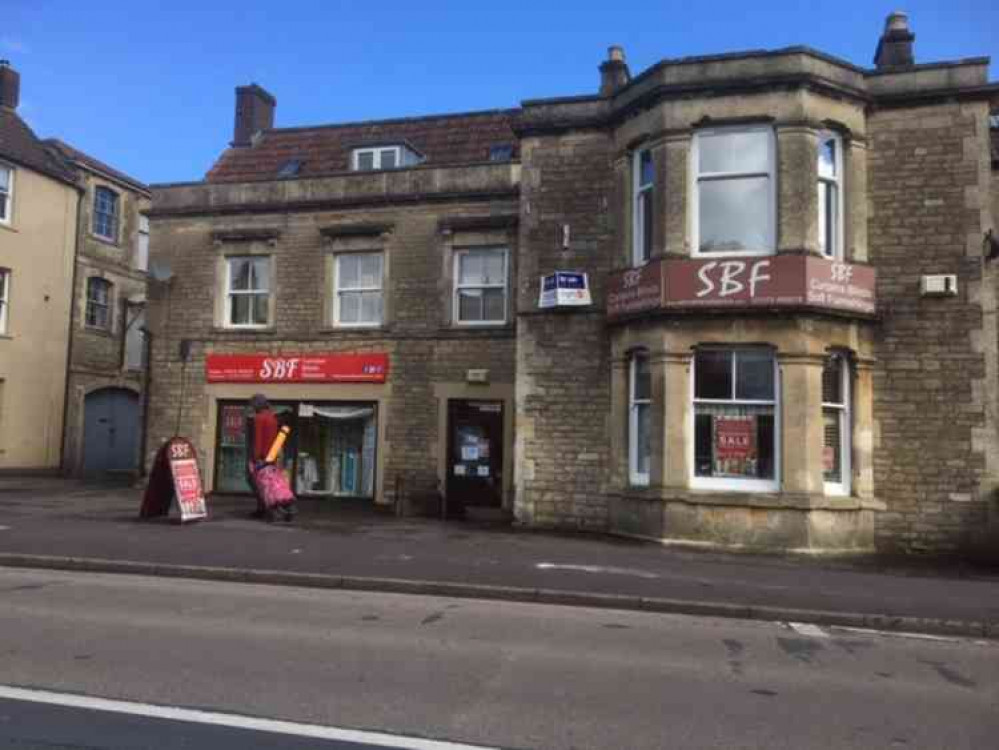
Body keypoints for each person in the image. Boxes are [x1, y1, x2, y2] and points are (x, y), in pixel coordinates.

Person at [246, 394, 294, 522]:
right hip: (273, 455)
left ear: (257, 405)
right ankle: (285, 506)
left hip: (262, 456)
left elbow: (258, 439)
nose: (251, 407)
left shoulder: (259, 418)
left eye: (252, 404)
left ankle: (266, 508)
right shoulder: (272, 417)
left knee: (258, 482)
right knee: (274, 482)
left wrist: (256, 457)